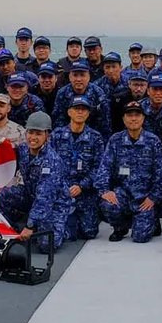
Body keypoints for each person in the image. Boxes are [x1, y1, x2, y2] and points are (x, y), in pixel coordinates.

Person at [0, 112, 71, 251]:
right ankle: (12, 226)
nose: (33, 138)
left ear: (47, 136)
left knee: (46, 245)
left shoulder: (52, 161)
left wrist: (29, 226)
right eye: (30, 132)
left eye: (38, 134)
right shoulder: (24, 149)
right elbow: (8, 158)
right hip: (30, 194)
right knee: (3, 194)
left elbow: (45, 198)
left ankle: (65, 227)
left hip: (53, 204)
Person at [96, 101, 162, 243]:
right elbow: (104, 168)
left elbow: (161, 174)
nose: (133, 119)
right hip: (123, 194)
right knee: (107, 204)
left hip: (144, 197)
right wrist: (104, 191)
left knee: (140, 238)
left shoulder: (153, 141)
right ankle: (120, 227)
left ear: (143, 118)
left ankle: (152, 222)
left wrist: (153, 198)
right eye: (129, 115)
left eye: (137, 115)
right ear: (123, 119)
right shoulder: (115, 140)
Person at [51, 95, 106, 240]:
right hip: (61, 191)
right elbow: (49, 164)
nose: (80, 112)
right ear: (69, 112)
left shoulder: (96, 138)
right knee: (64, 233)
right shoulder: (56, 135)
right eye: (76, 109)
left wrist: (81, 186)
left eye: (84, 109)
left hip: (84, 192)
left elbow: (99, 168)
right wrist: (63, 187)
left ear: (88, 113)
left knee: (89, 233)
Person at [52, 61, 109, 135]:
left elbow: (104, 123)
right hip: (67, 134)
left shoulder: (98, 93)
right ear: (70, 77)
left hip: (93, 135)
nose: (78, 79)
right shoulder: (62, 93)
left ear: (88, 77)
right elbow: (58, 121)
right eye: (75, 75)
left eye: (82, 75)